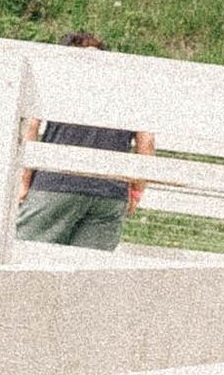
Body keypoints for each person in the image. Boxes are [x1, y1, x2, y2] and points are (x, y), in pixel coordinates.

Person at [15, 39, 154, 251]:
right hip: (110, 194)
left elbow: (31, 126)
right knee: (86, 276)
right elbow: (146, 142)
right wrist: (135, 192)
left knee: (24, 259)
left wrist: (24, 180)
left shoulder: (59, 82)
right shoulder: (129, 91)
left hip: (57, 184)